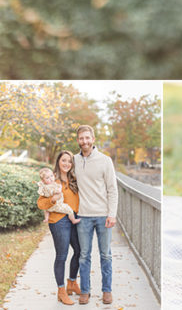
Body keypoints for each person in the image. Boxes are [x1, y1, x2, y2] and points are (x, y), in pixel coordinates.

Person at [74, 124, 118, 305]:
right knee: (84, 255)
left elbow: (112, 190)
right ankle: (85, 291)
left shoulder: (105, 160)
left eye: (87, 138)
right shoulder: (74, 160)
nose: (84, 141)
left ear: (93, 139)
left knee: (105, 255)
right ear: (78, 140)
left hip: (103, 216)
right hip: (82, 216)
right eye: (81, 138)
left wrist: (112, 214)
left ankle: (107, 290)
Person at [37, 150, 82, 306]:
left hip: (74, 218)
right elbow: (40, 203)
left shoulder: (75, 179)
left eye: (69, 161)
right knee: (62, 255)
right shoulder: (51, 180)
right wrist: (52, 199)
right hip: (59, 222)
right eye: (64, 160)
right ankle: (61, 291)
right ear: (58, 162)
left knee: (79, 251)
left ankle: (71, 283)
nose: (67, 164)